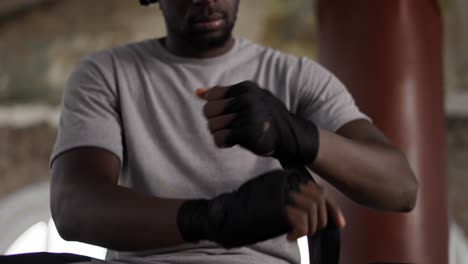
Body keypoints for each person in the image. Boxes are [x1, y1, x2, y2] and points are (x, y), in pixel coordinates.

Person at [49, 0, 419, 263]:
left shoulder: (296, 77)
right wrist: (218, 217)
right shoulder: (106, 73)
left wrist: (297, 134)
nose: (206, 0)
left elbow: (401, 187)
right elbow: (73, 207)